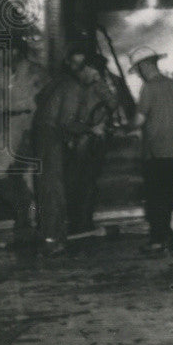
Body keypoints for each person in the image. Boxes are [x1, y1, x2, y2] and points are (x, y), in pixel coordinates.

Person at [0, 35, 47, 249]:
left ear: (14, 51)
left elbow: (47, 98)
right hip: (8, 124)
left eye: (2, 52)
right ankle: (23, 208)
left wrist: (34, 130)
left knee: (29, 177)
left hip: (28, 123)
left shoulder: (35, 71)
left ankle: (31, 227)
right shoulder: (4, 72)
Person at [33, 46, 89, 256]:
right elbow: (65, 122)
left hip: (42, 136)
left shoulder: (57, 81)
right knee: (54, 191)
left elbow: (40, 101)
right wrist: (90, 128)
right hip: (52, 139)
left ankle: (49, 236)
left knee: (46, 188)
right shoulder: (74, 87)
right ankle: (53, 239)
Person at [129, 46, 173, 255]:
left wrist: (125, 126)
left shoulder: (148, 88)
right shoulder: (171, 84)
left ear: (143, 66)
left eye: (138, 69)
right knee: (167, 196)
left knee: (154, 198)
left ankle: (157, 240)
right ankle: (168, 239)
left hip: (154, 150)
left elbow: (139, 120)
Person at [65, 53, 118, 235]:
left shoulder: (97, 84)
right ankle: (79, 220)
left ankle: (82, 221)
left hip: (91, 138)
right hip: (82, 136)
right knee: (78, 179)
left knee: (85, 179)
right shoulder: (80, 85)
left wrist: (100, 122)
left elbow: (112, 103)